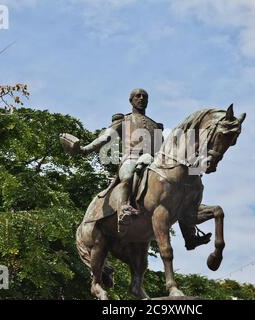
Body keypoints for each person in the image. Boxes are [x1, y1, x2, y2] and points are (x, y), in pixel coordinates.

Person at [60, 88, 211, 249]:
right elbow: (105, 137)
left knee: (179, 190)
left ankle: (190, 235)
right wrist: (84, 149)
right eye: (137, 96)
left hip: (154, 162)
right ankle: (124, 208)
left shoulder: (155, 125)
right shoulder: (123, 120)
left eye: (144, 96)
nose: (141, 98)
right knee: (128, 174)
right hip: (131, 158)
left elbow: (166, 149)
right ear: (131, 100)